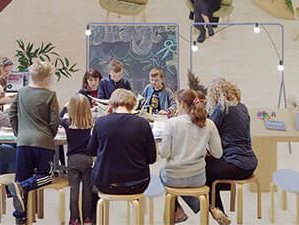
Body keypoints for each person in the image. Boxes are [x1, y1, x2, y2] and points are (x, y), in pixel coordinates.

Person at [10, 60, 61, 222]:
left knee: (21, 176)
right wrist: (49, 136)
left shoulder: (22, 92)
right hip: (43, 143)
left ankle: (21, 217)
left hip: (23, 142)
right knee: (46, 176)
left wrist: (19, 133)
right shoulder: (50, 95)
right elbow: (54, 122)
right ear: (46, 78)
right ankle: (22, 187)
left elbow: (11, 114)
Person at [159, 89, 221, 223]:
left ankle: (178, 210)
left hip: (174, 178)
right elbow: (218, 153)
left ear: (182, 104)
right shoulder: (209, 124)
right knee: (185, 182)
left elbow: (164, 153)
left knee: (162, 173)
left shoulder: (172, 123)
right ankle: (210, 207)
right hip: (198, 178)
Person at [84, 88, 156, 198]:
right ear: (133, 104)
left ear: (112, 104)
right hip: (138, 183)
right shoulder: (143, 124)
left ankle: (92, 214)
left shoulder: (100, 122)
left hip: (106, 183)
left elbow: (91, 151)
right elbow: (152, 158)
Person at [204, 79, 256, 225]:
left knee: (201, 169)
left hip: (234, 165)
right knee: (212, 172)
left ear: (214, 95)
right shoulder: (242, 107)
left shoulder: (222, 107)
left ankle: (216, 210)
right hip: (250, 164)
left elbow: (209, 131)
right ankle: (218, 209)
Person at [63, 90, 97, 225]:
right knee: (87, 189)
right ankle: (88, 216)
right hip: (87, 159)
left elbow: (60, 118)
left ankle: (74, 218)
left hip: (73, 160)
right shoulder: (90, 124)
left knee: (74, 189)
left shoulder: (68, 124)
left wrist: (65, 107)